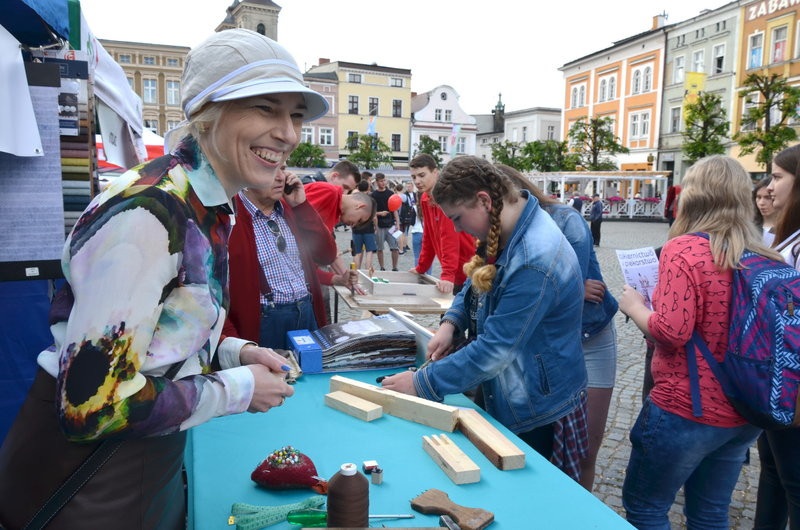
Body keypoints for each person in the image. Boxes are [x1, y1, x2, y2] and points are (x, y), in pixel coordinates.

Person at [0, 29, 326, 528]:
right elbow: (93, 407)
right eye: (266, 109)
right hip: (87, 487)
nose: (289, 133)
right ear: (207, 113)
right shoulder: (149, 214)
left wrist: (233, 352)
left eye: (296, 115)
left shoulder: (210, 203)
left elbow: (158, 329)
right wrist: (236, 389)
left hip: (144, 470)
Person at [382, 156, 588, 479]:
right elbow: (477, 281)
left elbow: (494, 351)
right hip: (515, 392)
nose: (455, 228)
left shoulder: (535, 259)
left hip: (536, 410)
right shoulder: (504, 222)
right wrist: (452, 322)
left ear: (483, 200)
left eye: (458, 218)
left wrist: (421, 382)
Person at [618, 155, 778, 529]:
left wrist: (635, 306)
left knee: (646, 508)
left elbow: (672, 331)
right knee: (709, 513)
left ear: (694, 196)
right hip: (744, 410)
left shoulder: (685, 249)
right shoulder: (762, 254)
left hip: (686, 408)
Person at [499, 165, 618, 491]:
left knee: (584, 452)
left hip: (589, 339)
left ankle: (581, 511)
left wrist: (569, 288)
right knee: (544, 446)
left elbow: (558, 287)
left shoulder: (566, 220)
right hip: (548, 345)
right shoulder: (496, 230)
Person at [224, 167, 337, 350]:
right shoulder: (229, 216)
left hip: (306, 310)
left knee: (313, 374)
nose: (280, 178)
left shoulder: (289, 209)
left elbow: (326, 255)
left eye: (283, 169)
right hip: (265, 320)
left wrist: (301, 205)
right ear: (246, 178)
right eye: (270, 170)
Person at [755, 144, 800, 530]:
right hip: (776, 375)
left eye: (779, 177)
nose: (769, 187)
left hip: (792, 379)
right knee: (772, 468)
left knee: (795, 480)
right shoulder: (783, 236)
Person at [409, 153, 476, 294]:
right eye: (414, 177)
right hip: (457, 271)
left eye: (422, 175)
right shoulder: (425, 198)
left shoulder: (446, 197)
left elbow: (450, 238)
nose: (417, 181)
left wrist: (447, 275)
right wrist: (422, 266)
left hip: (469, 269)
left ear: (435, 172)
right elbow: (429, 236)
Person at [371, 173, 401, 271]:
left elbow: (395, 210)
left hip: (391, 224)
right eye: (381, 181)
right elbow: (371, 212)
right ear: (376, 182)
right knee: (380, 248)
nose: (383, 183)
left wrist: (398, 223)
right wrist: (379, 213)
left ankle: (395, 267)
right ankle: (382, 267)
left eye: (384, 180)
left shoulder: (391, 194)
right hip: (379, 225)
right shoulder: (373, 195)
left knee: (395, 247)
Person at [351, 180, 377, 270]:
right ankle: (367, 272)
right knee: (369, 251)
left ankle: (356, 273)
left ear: (358, 188)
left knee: (357, 252)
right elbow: (374, 217)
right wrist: (376, 227)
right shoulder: (371, 200)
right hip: (368, 228)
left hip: (356, 228)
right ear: (368, 188)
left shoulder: (353, 199)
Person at [754, 176, 779, 247]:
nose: (761, 203)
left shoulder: (789, 229)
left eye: (768, 197)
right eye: (758, 197)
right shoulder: (749, 227)